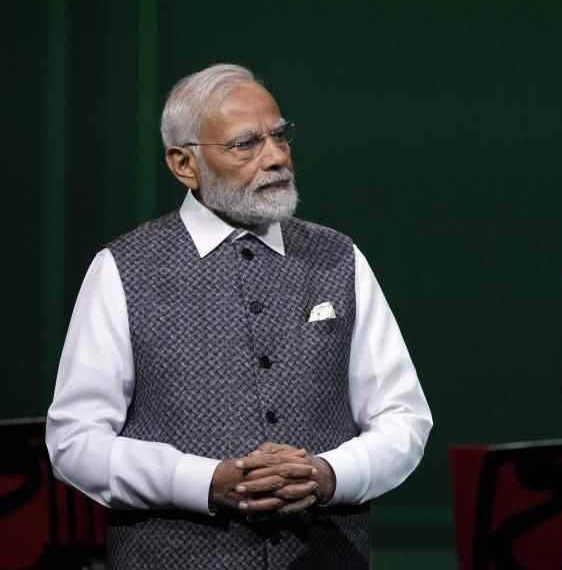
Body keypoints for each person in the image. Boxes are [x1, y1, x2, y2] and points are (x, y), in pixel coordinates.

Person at [45, 63, 433, 568]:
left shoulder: (339, 257)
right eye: (246, 144)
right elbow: (75, 441)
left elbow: (404, 419)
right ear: (184, 164)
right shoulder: (123, 268)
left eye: (279, 136)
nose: (275, 158)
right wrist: (204, 482)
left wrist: (327, 474)